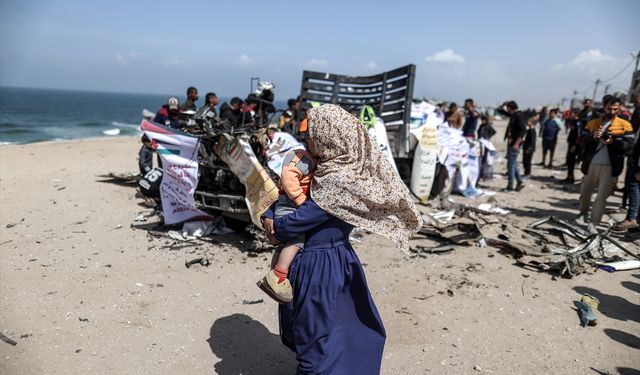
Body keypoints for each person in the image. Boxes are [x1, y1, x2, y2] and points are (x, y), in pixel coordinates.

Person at [260, 104, 422, 374]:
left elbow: (297, 222)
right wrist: (270, 211)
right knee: (333, 326)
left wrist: (275, 224)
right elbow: (288, 196)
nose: (308, 141)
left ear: (330, 136)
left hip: (319, 263)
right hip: (332, 258)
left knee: (313, 332)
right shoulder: (329, 166)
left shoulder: (339, 179)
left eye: (313, 135)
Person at [257, 149, 316, 303]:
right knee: (296, 240)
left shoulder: (302, 157)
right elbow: (288, 176)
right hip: (292, 207)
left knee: (284, 246)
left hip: (286, 206)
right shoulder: (305, 159)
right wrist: (302, 201)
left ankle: (273, 276)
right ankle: (278, 275)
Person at [578, 96, 634, 229]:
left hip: (610, 166)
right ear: (604, 107)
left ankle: (594, 222)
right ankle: (583, 213)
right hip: (591, 163)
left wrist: (612, 142)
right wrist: (592, 136)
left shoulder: (625, 125)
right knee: (585, 192)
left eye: (616, 108)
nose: (613, 111)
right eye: (610, 108)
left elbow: (629, 145)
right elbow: (582, 141)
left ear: (619, 108)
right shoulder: (593, 123)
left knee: (601, 196)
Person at [503, 101, 527, 191]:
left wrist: (517, 143)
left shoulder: (518, 115)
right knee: (512, 163)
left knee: (510, 165)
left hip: (515, 144)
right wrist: (503, 104)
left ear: (510, 108)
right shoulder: (513, 115)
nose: (507, 110)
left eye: (507, 108)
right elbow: (500, 111)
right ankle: (519, 182)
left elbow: (523, 130)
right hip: (511, 142)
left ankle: (510, 186)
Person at [562, 109, 583, 183]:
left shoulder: (578, 123)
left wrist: (575, 145)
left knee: (571, 161)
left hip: (575, 145)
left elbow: (579, 135)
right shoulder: (573, 122)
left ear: (576, 114)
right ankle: (569, 176)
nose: (570, 115)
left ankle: (571, 178)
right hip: (571, 143)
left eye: (572, 113)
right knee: (569, 161)